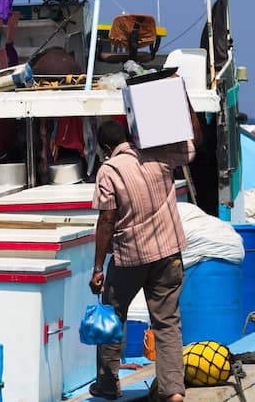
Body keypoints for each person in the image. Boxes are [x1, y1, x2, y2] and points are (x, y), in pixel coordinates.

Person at [89, 87, 202, 401]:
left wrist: (98, 267)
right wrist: (181, 98)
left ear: (106, 148)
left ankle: (109, 385)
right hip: (168, 254)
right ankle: (173, 392)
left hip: (129, 258)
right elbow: (195, 144)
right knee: (167, 323)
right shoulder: (158, 155)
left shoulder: (109, 171)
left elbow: (107, 220)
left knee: (112, 318)